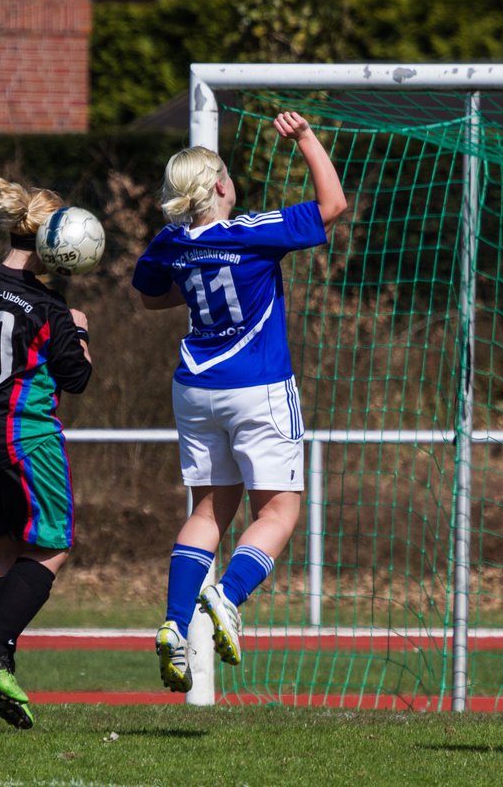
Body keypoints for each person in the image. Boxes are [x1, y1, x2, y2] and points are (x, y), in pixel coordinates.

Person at [132, 112, 347, 693]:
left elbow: (150, 295)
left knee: (208, 511)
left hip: (195, 388)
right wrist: (305, 139)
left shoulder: (170, 241)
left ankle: (175, 626)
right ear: (222, 186)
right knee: (279, 511)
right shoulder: (250, 231)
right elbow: (333, 205)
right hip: (257, 386)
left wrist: (199, 280)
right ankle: (226, 599)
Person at [0, 178, 94, 729]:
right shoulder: (49, 305)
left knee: (4, 553)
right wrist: (78, 332)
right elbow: (76, 379)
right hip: (23, 437)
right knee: (53, 545)